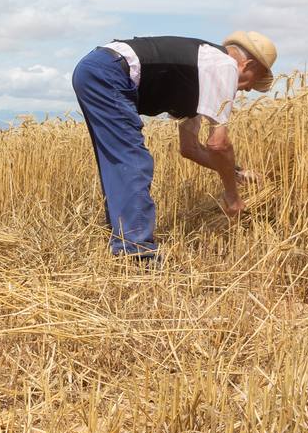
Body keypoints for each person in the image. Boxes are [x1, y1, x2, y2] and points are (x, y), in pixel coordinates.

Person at [70, 32, 277, 262]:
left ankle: (125, 243)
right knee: (133, 161)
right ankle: (137, 255)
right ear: (247, 65)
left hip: (95, 68)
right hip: (110, 72)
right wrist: (232, 196)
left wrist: (236, 173)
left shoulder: (201, 76)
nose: (247, 91)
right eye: (252, 82)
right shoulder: (225, 65)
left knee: (118, 162)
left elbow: (190, 148)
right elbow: (218, 144)